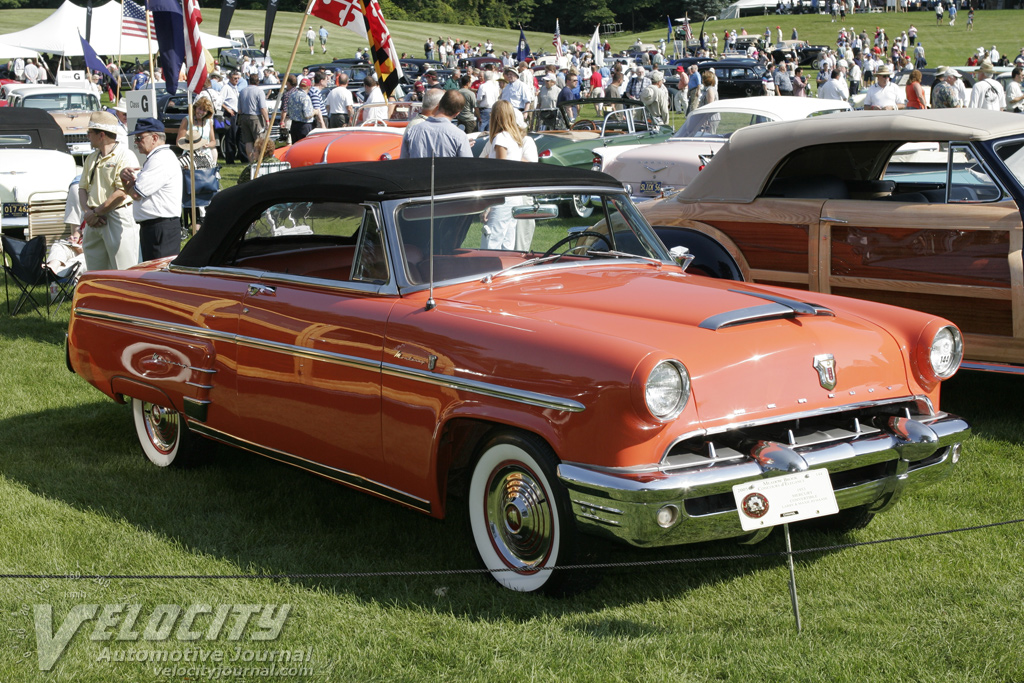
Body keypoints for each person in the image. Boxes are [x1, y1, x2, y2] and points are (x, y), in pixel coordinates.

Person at [74, 112, 139, 271]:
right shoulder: (91, 158)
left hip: (116, 217)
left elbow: (122, 192)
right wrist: (88, 212)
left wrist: (95, 213)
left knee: (124, 271)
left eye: (90, 132)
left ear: (101, 135)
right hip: (93, 220)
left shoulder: (125, 156)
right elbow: (82, 188)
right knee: (96, 272)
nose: (88, 136)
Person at [119, 118, 182, 261]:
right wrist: (127, 181)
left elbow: (136, 193)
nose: (136, 142)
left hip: (160, 228)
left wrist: (126, 182)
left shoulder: (160, 159)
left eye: (139, 138)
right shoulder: (157, 158)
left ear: (154, 138)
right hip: (156, 227)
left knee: (159, 276)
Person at [480, 101, 524, 250]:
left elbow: (500, 171)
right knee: (507, 242)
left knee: (491, 241)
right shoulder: (514, 138)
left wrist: (488, 205)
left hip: (502, 197)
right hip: (514, 195)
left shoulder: (500, 139)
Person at [400, 89, 472, 159]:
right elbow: (467, 166)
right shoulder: (459, 136)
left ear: (439, 104)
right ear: (457, 113)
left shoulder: (413, 130)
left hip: (418, 171)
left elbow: (403, 162)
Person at [176, 96, 218, 169]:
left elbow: (213, 141)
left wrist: (208, 144)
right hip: (189, 155)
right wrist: (192, 145)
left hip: (206, 155)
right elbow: (178, 142)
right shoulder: (187, 120)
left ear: (208, 112)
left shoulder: (209, 122)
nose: (201, 112)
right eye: (200, 109)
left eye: (204, 110)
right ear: (195, 108)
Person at [237, 74, 269, 162]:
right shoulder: (259, 91)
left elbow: (239, 110)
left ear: (249, 81)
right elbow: (262, 108)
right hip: (255, 117)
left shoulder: (242, 91)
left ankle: (251, 161)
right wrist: (267, 120)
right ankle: (259, 161)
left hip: (243, 117)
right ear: (258, 81)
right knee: (258, 141)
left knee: (248, 141)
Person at [286, 78, 319, 143]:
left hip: (294, 125)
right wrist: (315, 112)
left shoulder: (292, 95)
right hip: (304, 126)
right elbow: (307, 115)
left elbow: (288, 111)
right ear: (309, 87)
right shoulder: (305, 97)